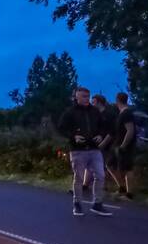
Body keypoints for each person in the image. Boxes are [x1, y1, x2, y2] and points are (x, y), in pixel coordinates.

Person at [57, 87, 112, 217]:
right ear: (77, 97)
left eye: (88, 96)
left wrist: (101, 134)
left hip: (94, 149)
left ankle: (97, 204)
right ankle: (77, 204)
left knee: (100, 175)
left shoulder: (95, 111)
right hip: (78, 150)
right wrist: (73, 136)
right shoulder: (70, 112)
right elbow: (61, 128)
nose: (87, 99)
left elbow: (104, 126)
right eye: (84, 96)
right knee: (79, 178)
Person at [82, 94, 116, 192]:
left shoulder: (109, 114)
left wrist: (104, 143)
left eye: (93, 102)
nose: (91, 104)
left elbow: (112, 131)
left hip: (106, 144)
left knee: (103, 165)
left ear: (99, 102)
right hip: (94, 143)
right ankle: (85, 185)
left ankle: (104, 186)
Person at [111, 92, 137, 199]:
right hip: (118, 144)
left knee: (127, 168)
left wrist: (123, 145)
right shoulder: (122, 113)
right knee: (110, 164)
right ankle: (122, 188)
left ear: (117, 100)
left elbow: (130, 131)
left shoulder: (126, 113)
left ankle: (129, 194)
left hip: (125, 146)